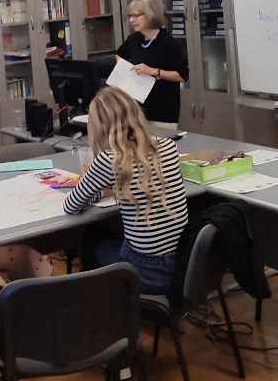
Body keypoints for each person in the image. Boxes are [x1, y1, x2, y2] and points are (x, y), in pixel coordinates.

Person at [63, 86, 188, 294]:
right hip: (181, 262)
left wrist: (100, 190)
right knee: (115, 228)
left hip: (146, 271)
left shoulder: (110, 159)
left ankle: (107, 305)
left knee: (90, 239)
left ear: (98, 126)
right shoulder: (168, 146)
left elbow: (71, 205)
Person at [116, 0, 188, 133]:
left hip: (162, 111)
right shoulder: (134, 39)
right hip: (137, 110)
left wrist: (152, 71)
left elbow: (182, 75)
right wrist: (126, 72)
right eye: (130, 16)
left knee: (160, 145)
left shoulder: (168, 42)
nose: (131, 20)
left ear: (150, 15)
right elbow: (119, 55)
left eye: (136, 16)